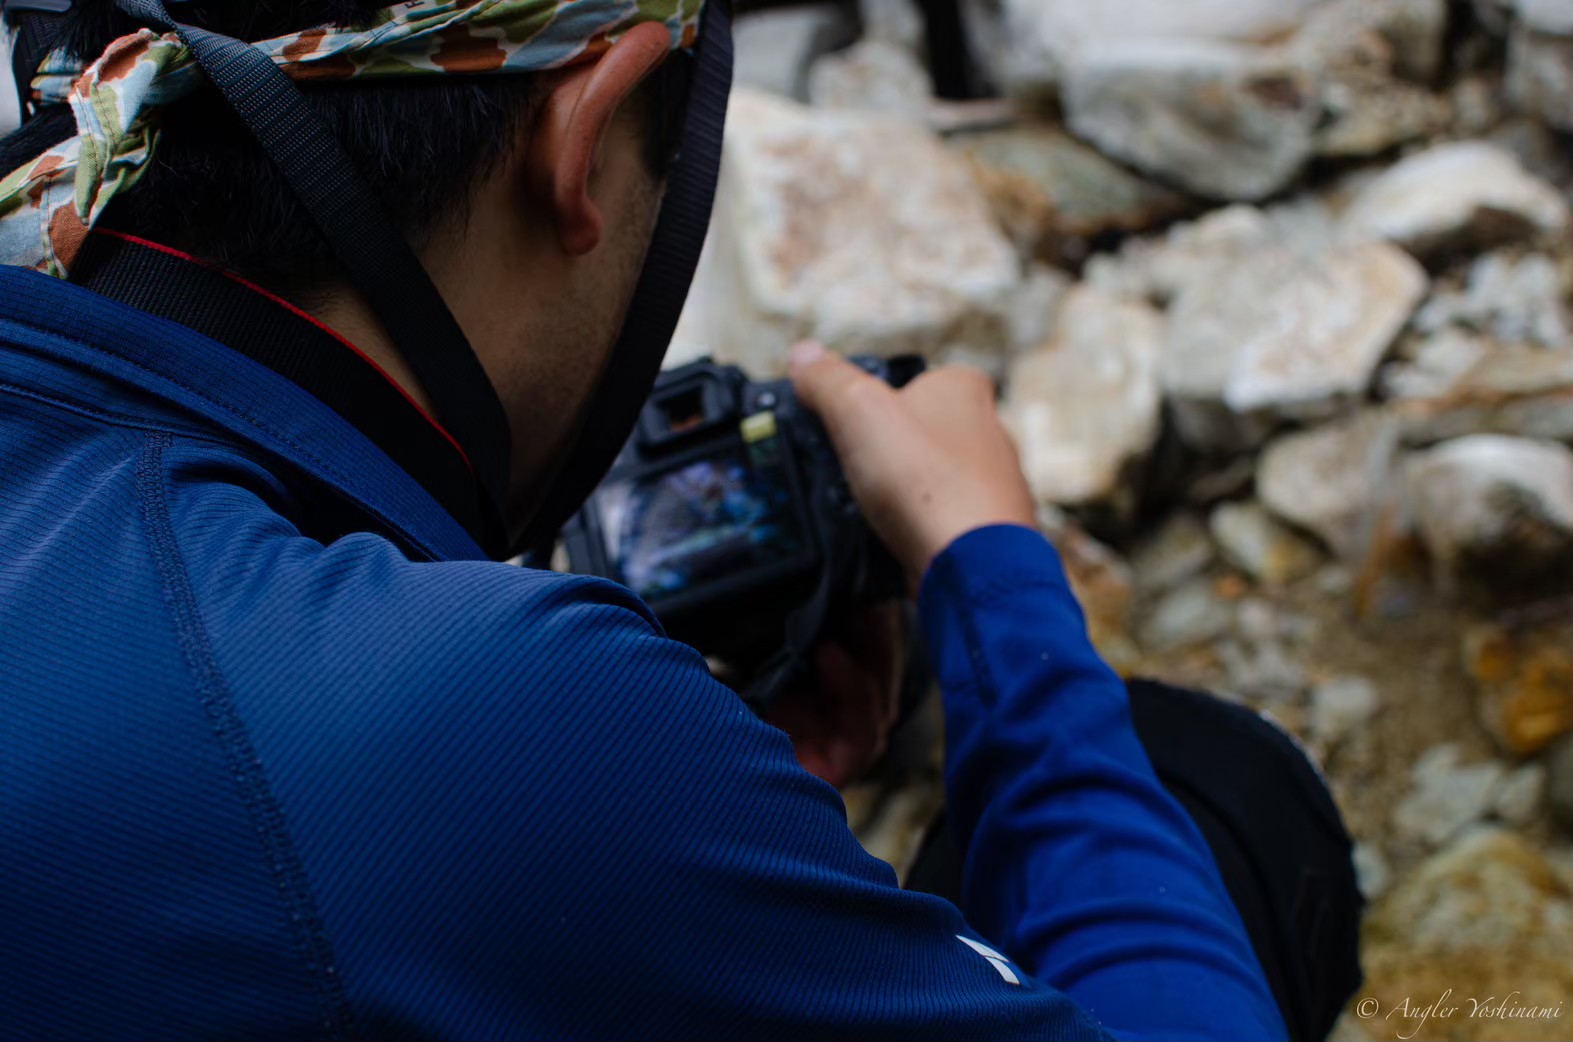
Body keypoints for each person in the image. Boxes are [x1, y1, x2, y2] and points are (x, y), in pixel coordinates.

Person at [0, 1, 1358, 1039]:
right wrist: (986, 564)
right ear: (586, 130)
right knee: (1208, 795)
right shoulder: (480, 729)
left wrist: (715, 846)